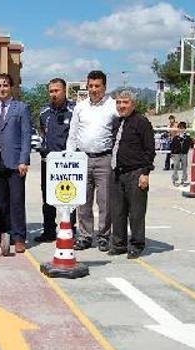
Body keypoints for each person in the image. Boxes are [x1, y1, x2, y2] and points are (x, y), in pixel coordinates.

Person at [66, 70, 118, 252]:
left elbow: (118, 134)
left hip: (104, 158)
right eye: (91, 86)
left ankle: (104, 236)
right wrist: (70, 157)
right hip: (82, 159)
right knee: (83, 201)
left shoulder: (113, 106)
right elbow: (72, 135)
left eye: (97, 86)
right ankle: (85, 235)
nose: (94, 89)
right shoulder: (80, 107)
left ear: (105, 87)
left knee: (105, 201)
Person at [0, 73, 32, 253]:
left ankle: (19, 237)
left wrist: (23, 160)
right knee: (1, 202)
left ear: (11, 87)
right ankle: (5, 234)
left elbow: (26, 136)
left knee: (17, 201)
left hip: (15, 162)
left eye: (5, 85)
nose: (1, 89)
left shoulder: (21, 108)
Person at [109, 90, 155, 259]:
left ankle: (136, 244)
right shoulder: (116, 122)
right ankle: (119, 243)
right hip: (117, 173)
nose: (121, 106)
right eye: (119, 102)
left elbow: (149, 150)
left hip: (136, 173)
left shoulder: (141, 122)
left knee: (136, 212)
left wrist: (145, 173)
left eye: (125, 102)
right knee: (117, 211)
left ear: (133, 104)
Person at [35, 77, 76, 243]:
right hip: (49, 162)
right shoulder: (44, 112)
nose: (53, 94)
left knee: (69, 197)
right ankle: (49, 231)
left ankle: (70, 230)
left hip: (68, 163)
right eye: (51, 91)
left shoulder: (74, 110)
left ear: (64, 91)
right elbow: (42, 133)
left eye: (57, 90)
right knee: (48, 198)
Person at [170, 122, 191, 187]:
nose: (181, 129)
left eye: (183, 128)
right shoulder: (176, 137)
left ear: (185, 129)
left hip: (184, 153)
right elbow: (172, 145)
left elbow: (189, 144)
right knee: (176, 166)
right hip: (176, 153)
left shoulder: (187, 137)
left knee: (184, 166)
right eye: (180, 128)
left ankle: (184, 180)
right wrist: (172, 153)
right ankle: (175, 179)